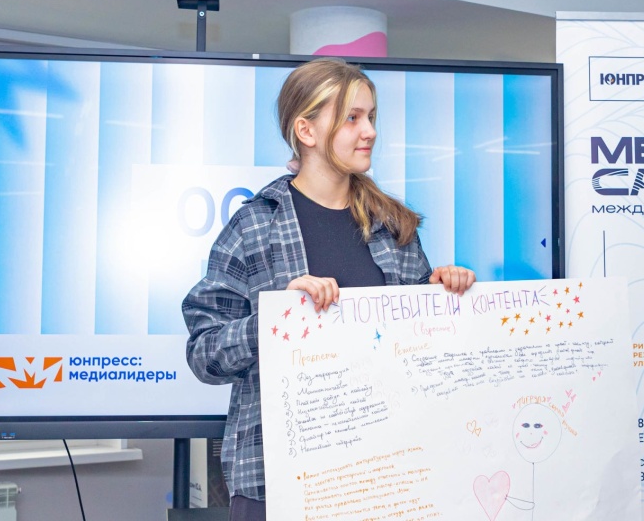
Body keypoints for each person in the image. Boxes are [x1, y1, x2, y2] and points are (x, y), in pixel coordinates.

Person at [182, 57, 475, 521]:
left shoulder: (392, 226)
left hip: (385, 479)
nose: (370, 131)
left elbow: (423, 354)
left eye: (371, 116)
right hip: (275, 487)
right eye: (352, 118)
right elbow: (204, 354)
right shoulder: (253, 227)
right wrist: (275, 319)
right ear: (306, 130)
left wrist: (442, 294)